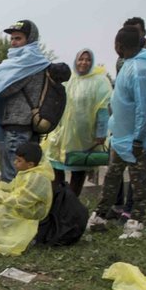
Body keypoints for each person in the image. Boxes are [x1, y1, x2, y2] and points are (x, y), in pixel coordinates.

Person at [89, 26, 146, 239]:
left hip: (135, 139)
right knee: (112, 176)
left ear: (119, 45)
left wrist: (139, 138)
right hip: (121, 136)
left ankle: (136, 221)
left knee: (138, 180)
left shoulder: (141, 71)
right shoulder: (129, 65)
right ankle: (100, 215)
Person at [0, 20, 51, 182]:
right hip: (29, 125)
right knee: (25, 176)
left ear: (29, 40)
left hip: (18, 126)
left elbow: (5, 90)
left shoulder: (27, 62)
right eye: (12, 39)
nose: (13, 43)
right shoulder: (35, 61)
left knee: (12, 176)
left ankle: (12, 207)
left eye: (18, 38)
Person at [41, 49, 111, 197]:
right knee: (55, 165)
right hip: (61, 132)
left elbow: (103, 110)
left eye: (88, 60)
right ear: (76, 60)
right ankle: (58, 201)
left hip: (83, 135)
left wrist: (101, 132)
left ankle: (72, 203)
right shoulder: (69, 79)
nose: (84, 63)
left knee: (78, 168)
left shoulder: (99, 82)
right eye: (81, 59)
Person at [0, 141, 54, 256]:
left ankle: (7, 240)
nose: (15, 163)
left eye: (19, 161)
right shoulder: (28, 171)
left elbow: (20, 201)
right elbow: (12, 188)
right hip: (25, 206)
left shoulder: (36, 178)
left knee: (3, 207)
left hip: (32, 212)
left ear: (30, 164)